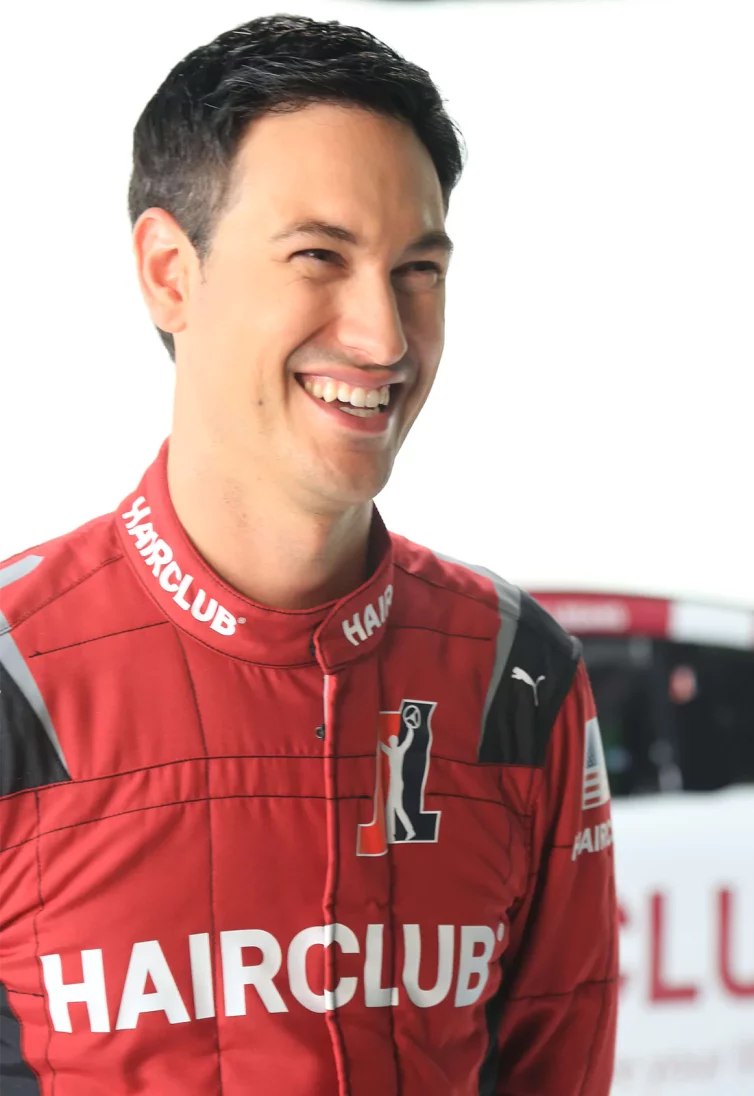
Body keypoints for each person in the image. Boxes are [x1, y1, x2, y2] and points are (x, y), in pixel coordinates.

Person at [0, 14, 618, 1095]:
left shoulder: (517, 680)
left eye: (417, 269)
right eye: (318, 258)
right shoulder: (16, 682)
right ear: (167, 272)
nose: (384, 338)